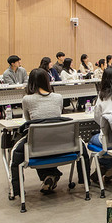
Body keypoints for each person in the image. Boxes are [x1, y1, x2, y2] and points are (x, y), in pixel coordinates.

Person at [9, 68, 65, 196]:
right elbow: (57, 115)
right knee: (45, 144)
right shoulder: (58, 97)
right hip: (60, 142)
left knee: (21, 149)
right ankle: (51, 174)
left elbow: (29, 120)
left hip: (37, 143)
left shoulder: (27, 99)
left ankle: (17, 190)